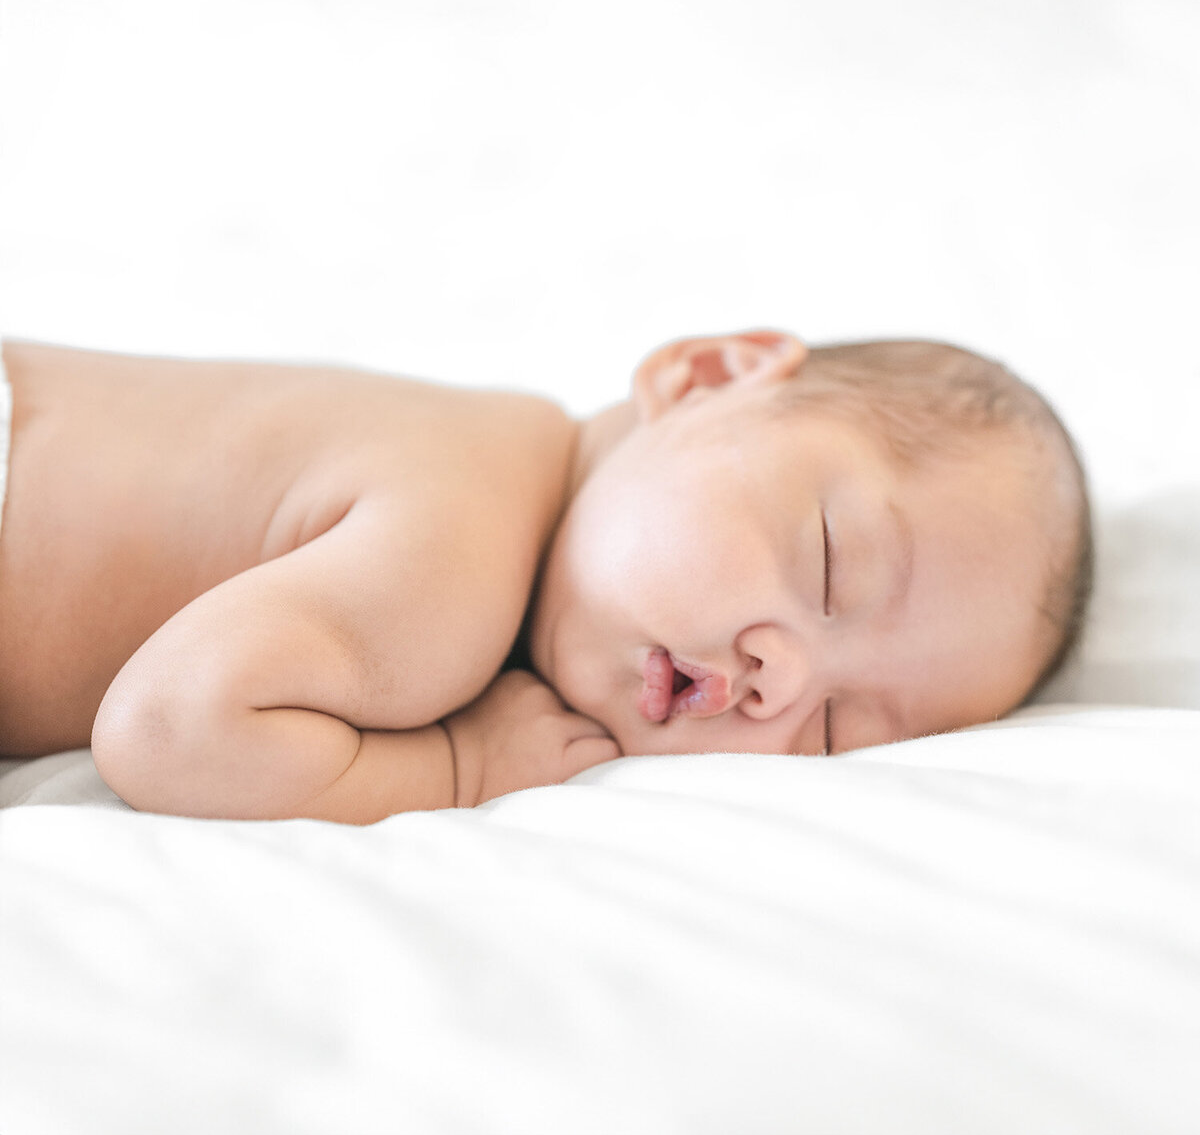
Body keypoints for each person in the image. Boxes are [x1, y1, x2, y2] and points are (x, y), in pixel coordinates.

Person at [0, 330, 1092, 821]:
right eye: (831, 561)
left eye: (837, 729)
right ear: (707, 375)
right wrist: (458, 772)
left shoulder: (492, 459)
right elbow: (170, 730)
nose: (781, 678)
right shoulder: (458, 554)